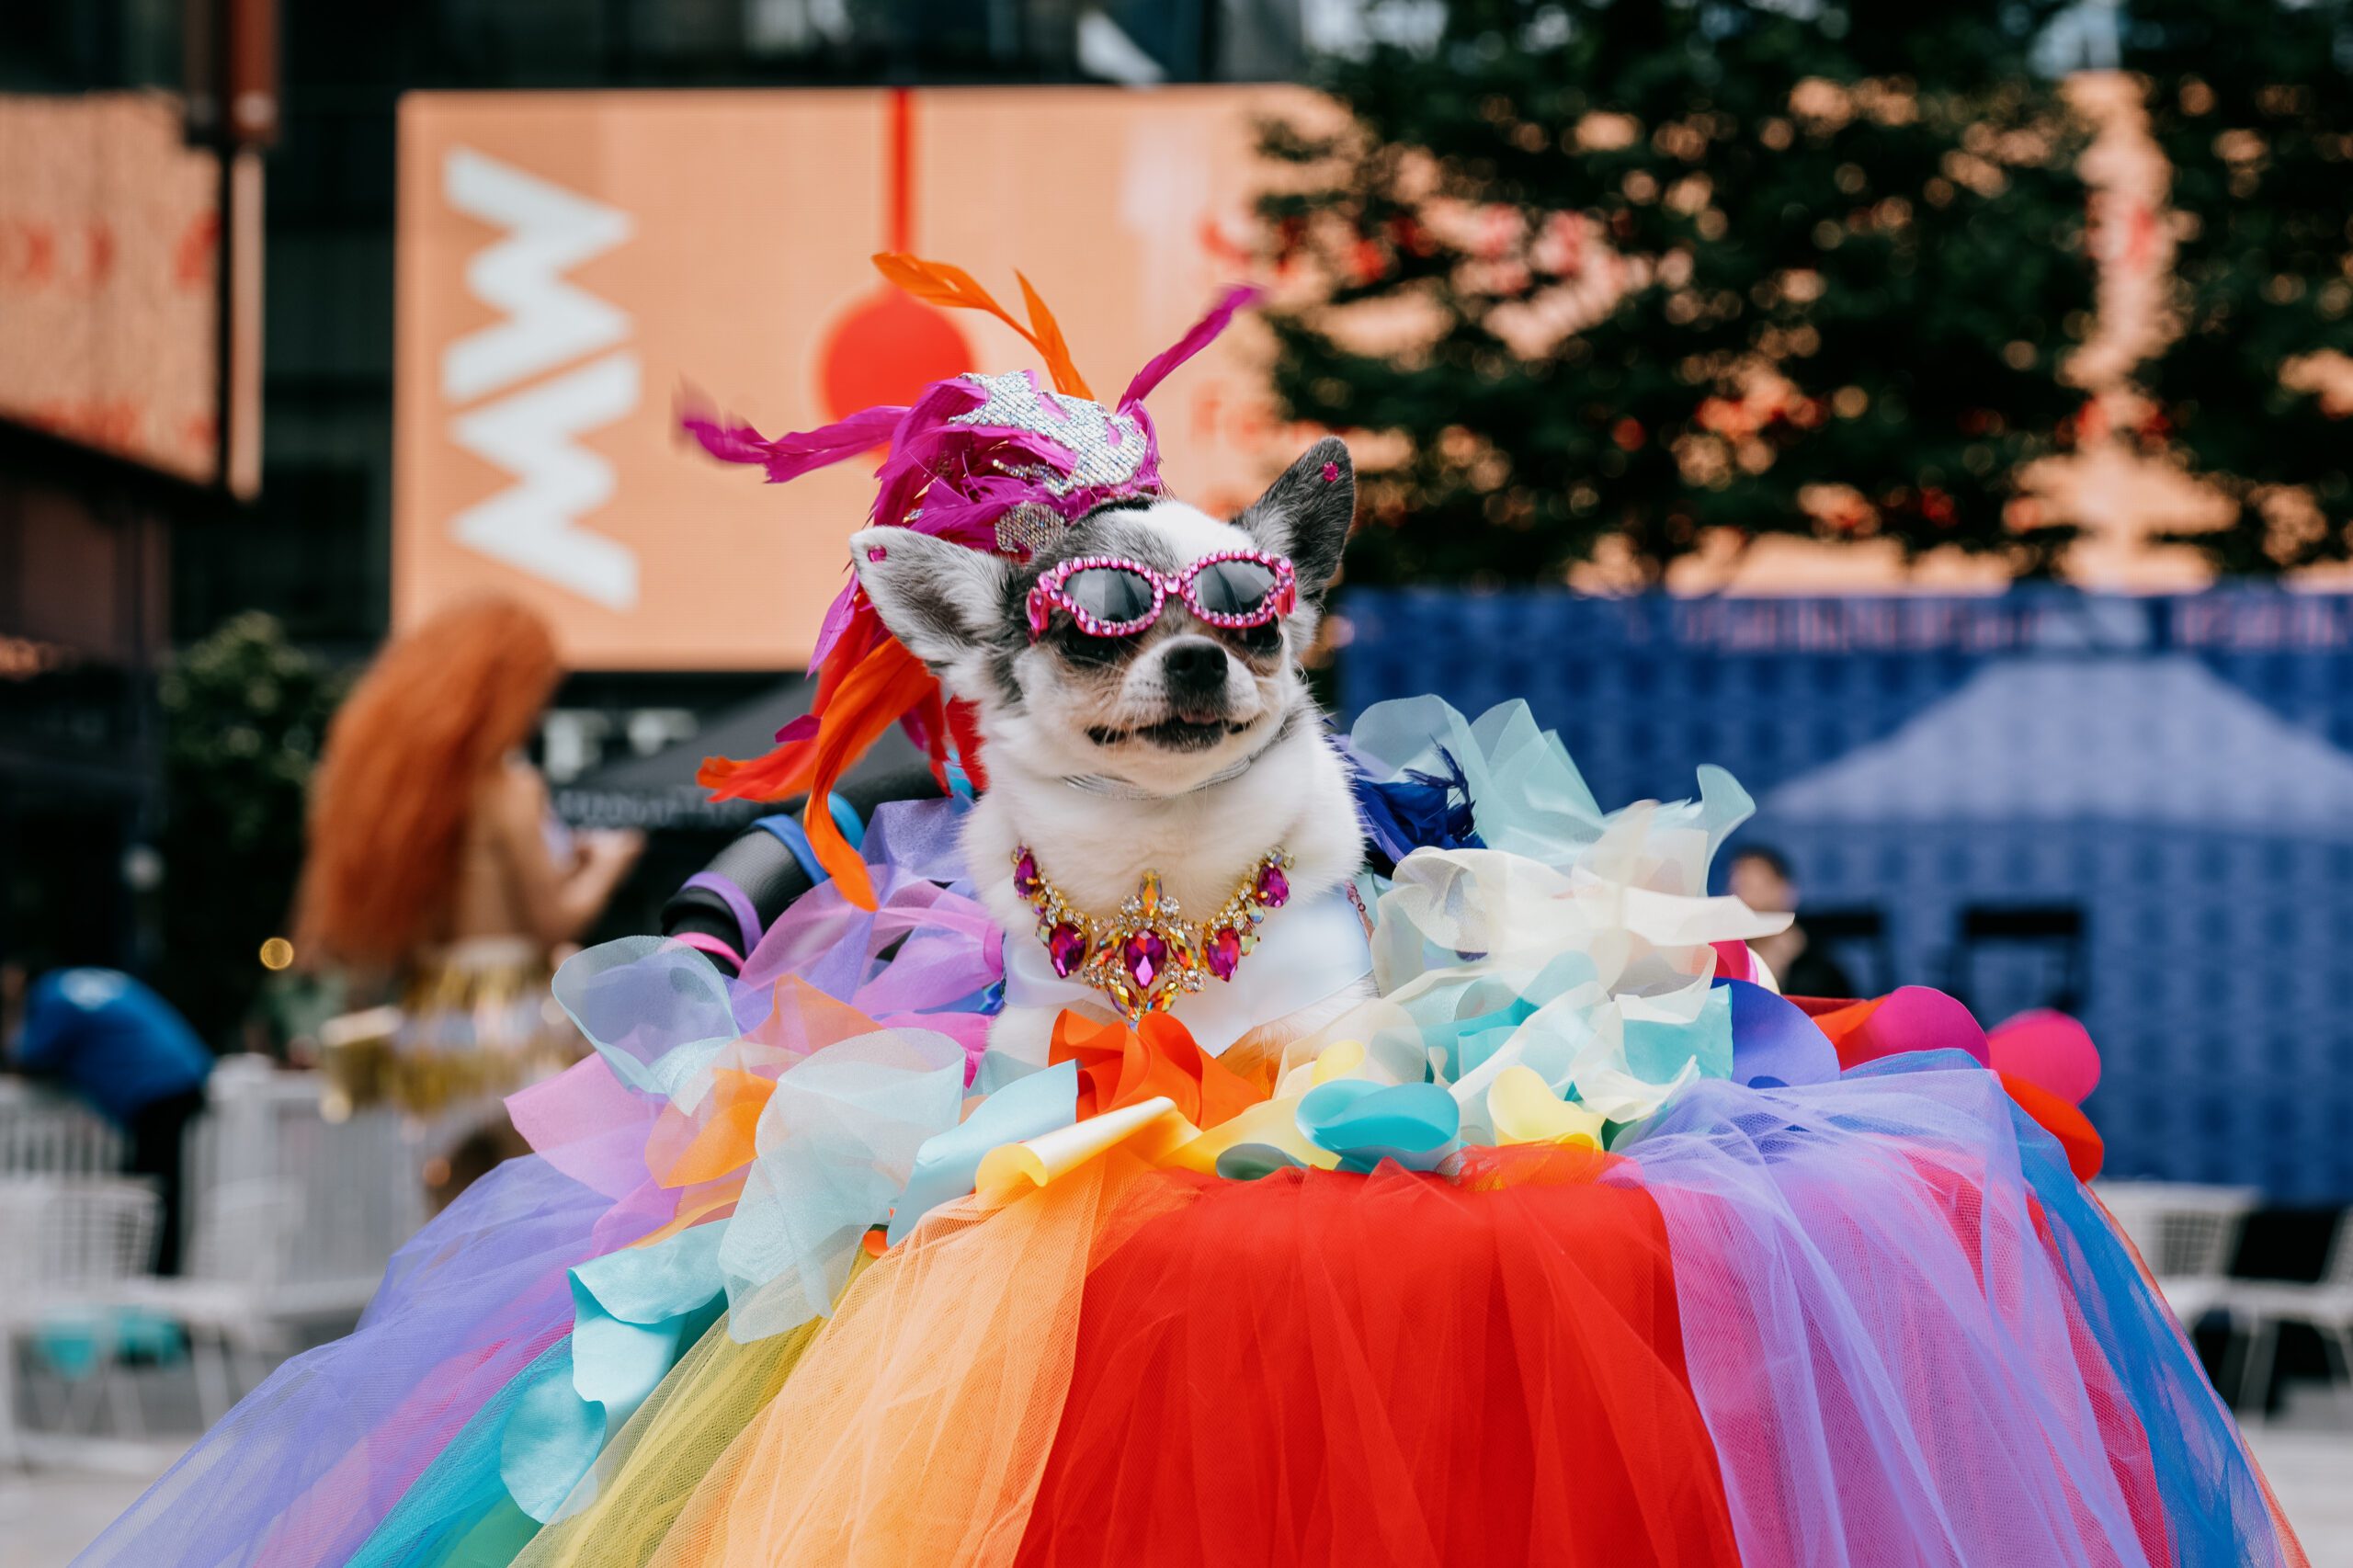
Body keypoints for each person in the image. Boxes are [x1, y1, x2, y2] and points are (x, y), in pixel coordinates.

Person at [77, 262, 2306, 1567]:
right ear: (988, 649)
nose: (1190, 665)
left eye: (1241, 618)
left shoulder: (1318, 817)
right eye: (1114, 628)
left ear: (1293, 624)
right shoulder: (994, 778)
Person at [293, 594, 642, 1122]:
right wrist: (610, 861)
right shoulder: (507, 788)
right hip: (510, 1026)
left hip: (428, 1027)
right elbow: (554, 924)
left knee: (452, 1202)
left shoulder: (405, 803)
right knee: (534, 1202)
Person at [3, 958, 212, 1275]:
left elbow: (26, 1056)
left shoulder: (51, 996)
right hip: (183, 1071)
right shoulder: (79, 980)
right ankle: (152, 1270)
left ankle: (151, 1274)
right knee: (154, 1182)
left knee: (150, 1188)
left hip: (157, 1086)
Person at [1725, 842, 1855, 998]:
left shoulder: (1820, 971)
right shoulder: (1725, 967)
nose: (1748, 901)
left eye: (1758, 889)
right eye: (1739, 889)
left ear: (1787, 891)